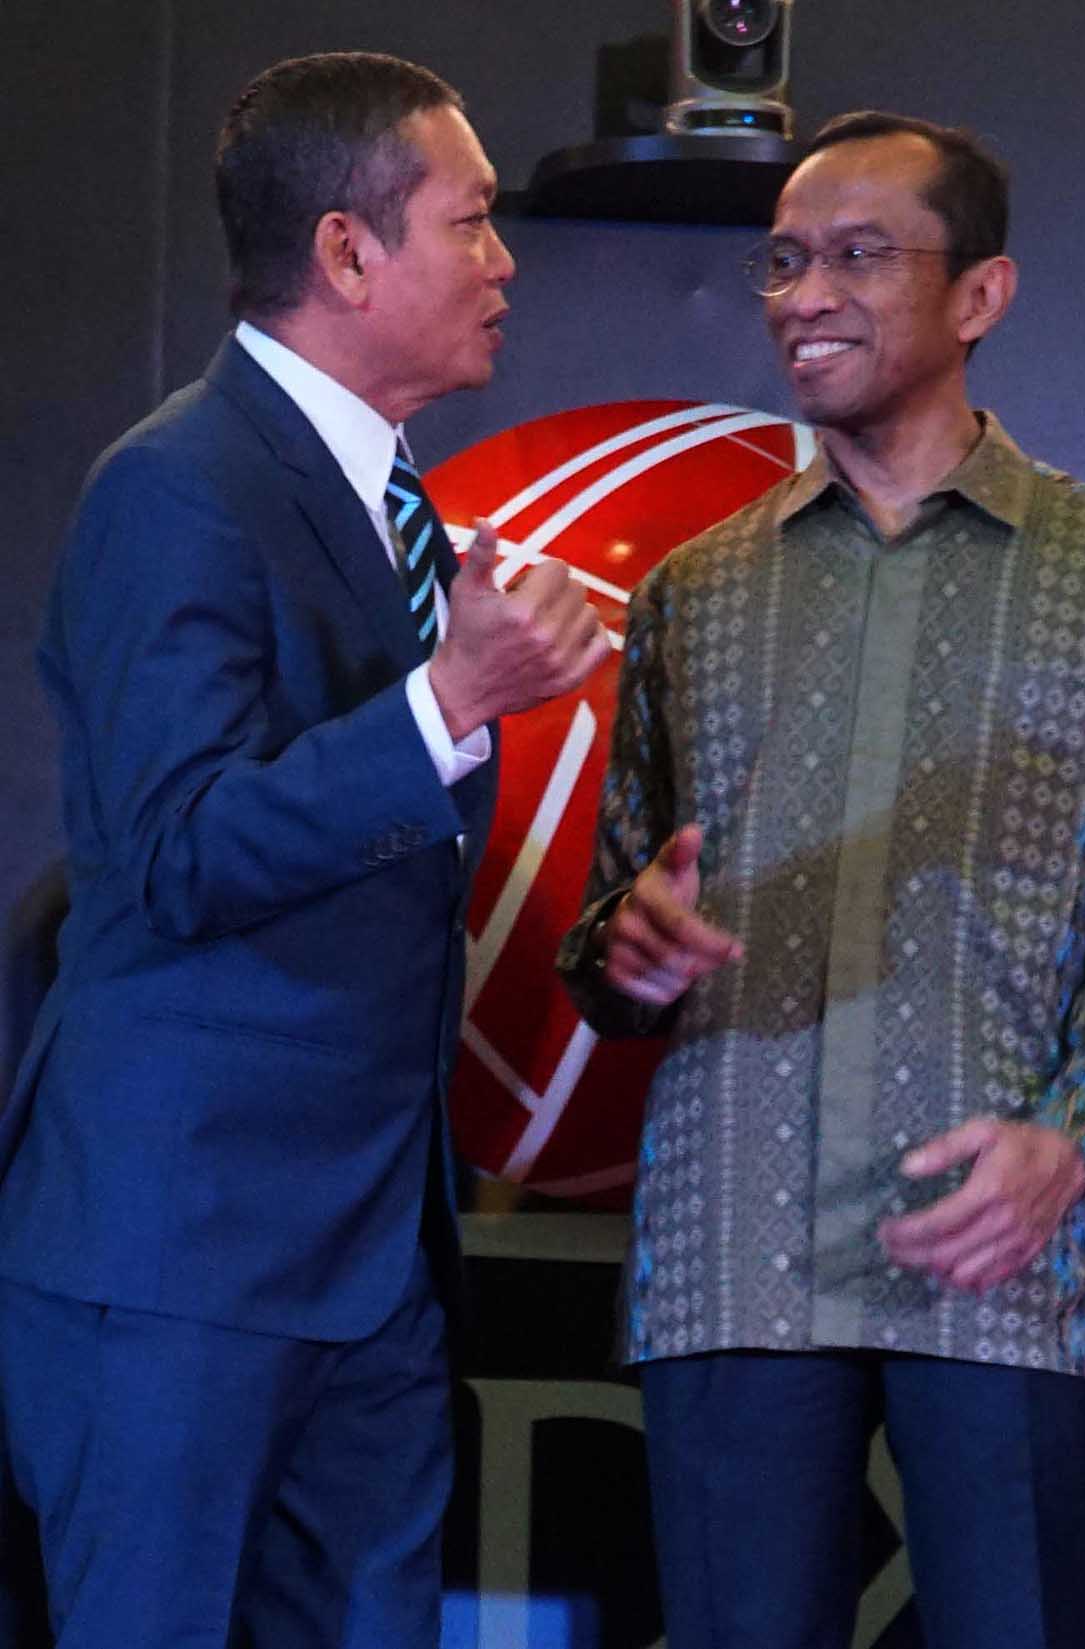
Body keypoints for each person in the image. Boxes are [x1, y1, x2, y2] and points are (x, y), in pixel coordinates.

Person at [553, 110, 1085, 1649]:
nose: (806, 297)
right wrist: (626, 948)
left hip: (1011, 1254)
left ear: (981, 294)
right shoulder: (695, 591)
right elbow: (607, 944)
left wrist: (1067, 1138)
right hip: (733, 1253)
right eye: (784, 261)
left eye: (858, 256)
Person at [0, 49, 605, 1647]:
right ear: (347, 251)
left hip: (370, 1268)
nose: (504, 260)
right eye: (470, 221)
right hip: (183, 1272)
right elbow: (177, 849)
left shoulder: (391, 499)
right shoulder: (174, 489)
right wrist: (449, 699)